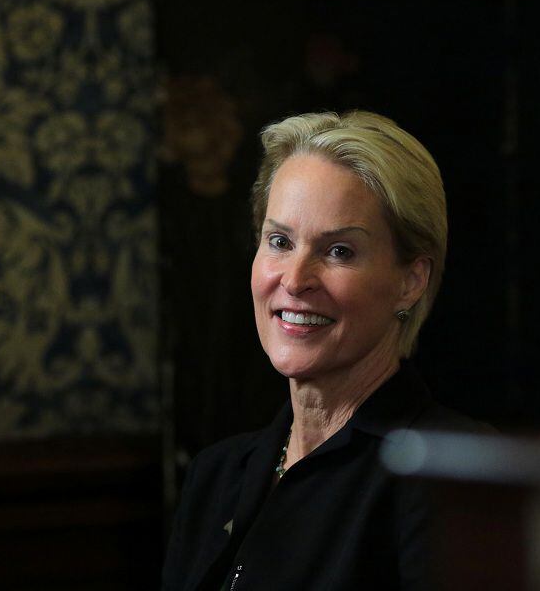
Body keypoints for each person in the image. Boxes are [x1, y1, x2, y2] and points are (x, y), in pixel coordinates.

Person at [162, 110, 485, 590]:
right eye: (279, 241)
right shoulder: (216, 475)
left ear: (410, 282)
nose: (294, 280)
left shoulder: (450, 480)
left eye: (339, 252)